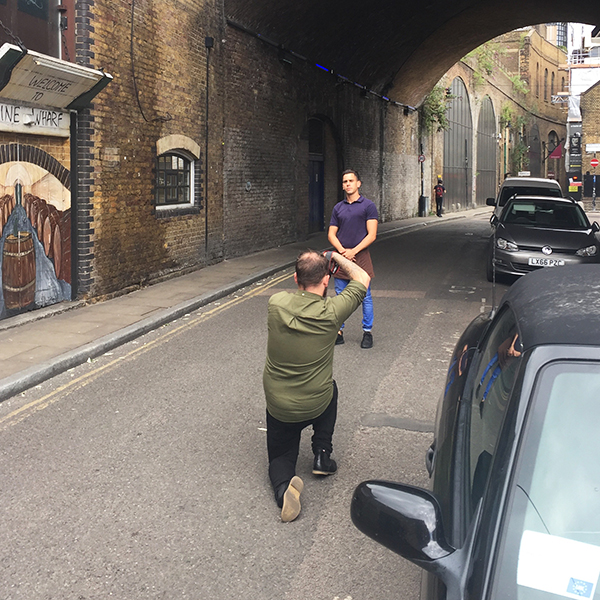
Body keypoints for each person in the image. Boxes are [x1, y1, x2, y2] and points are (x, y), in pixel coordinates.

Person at [263, 250, 370, 522]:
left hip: (279, 405)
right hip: (316, 401)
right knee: (331, 390)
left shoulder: (276, 303)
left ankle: (283, 488)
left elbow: (300, 292)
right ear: (326, 280)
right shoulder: (333, 311)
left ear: (295, 278)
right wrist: (334, 256)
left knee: (281, 456)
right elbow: (362, 277)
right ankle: (322, 454)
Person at [327, 169, 378, 348]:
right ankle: (339, 331)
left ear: (358, 184)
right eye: (344, 182)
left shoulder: (368, 206)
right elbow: (331, 234)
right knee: (341, 297)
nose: (347, 184)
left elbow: (372, 235)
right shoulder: (338, 208)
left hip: (361, 258)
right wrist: (342, 251)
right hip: (342, 258)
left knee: (365, 296)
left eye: (351, 181)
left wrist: (353, 251)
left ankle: (367, 332)